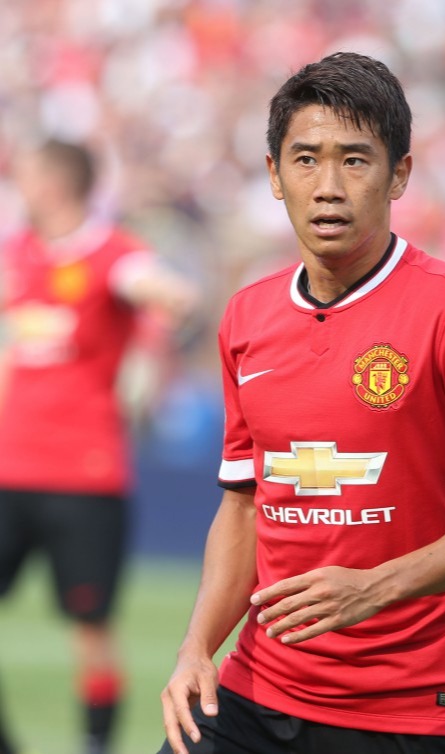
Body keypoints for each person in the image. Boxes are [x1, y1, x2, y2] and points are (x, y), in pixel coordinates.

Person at [158, 51, 445, 754]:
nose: (328, 187)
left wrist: (374, 589)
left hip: (419, 710)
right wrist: (197, 648)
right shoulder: (247, 317)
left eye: (355, 160)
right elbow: (246, 504)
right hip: (261, 694)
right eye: (306, 160)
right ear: (274, 176)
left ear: (398, 174)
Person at [0, 138, 198, 754]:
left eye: (26, 174)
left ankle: (94, 746)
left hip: (85, 475)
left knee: (91, 627)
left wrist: (159, 324)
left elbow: (166, 292)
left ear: (56, 184)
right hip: (9, 469)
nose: (18, 185)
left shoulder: (113, 254)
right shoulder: (16, 253)